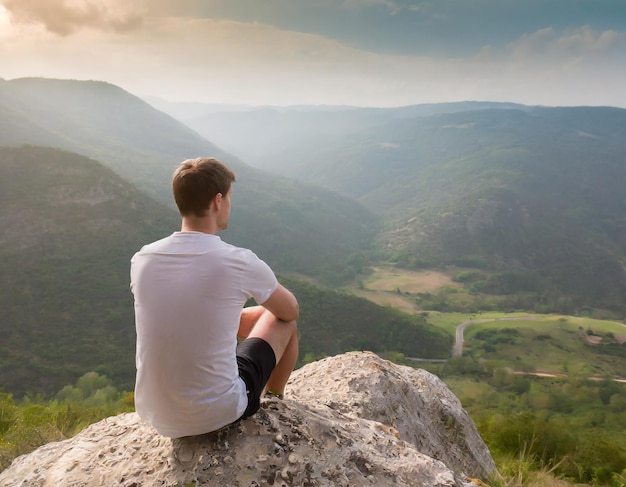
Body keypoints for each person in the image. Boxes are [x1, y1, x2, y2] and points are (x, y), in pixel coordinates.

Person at [130, 157, 299, 438]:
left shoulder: (143, 258)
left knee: (246, 315)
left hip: (155, 414)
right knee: (281, 320)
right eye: (230, 198)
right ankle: (274, 399)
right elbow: (290, 311)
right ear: (218, 201)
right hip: (219, 412)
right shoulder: (239, 261)